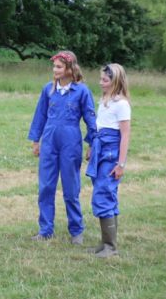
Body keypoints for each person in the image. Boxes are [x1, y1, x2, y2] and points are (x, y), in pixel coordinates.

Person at [28, 51, 96, 244]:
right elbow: (40, 116)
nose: (54, 70)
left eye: (58, 67)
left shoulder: (82, 91)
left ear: (69, 69)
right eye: (54, 67)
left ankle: (76, 230)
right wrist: (36, 141)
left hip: (70, 142)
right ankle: (46, 229)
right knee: (46, 186)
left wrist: (91, 143)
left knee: (70, 188)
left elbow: (91, 119)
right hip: (49, 142)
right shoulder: (48, 90)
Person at [86, 64, 131, 258]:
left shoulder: (122, 104)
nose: (101, 83)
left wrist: (120, 164)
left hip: (111, 154)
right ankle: (105, 243)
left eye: (105, 80)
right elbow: (98, 126)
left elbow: (125, 135)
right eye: (101, 79)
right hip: (100, 149)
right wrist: (91, 148)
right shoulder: (104, 100)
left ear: (116, 81)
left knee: (104, 194)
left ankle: (111, 247)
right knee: (105, 194)